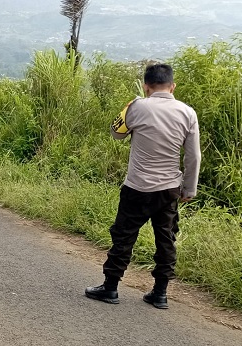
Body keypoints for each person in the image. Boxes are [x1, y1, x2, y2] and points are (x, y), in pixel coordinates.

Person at [85, 63, 201, 309]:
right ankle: (160, 294)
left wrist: (130, 105)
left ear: (146, 86)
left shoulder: (138, 106)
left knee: (123, 236)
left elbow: (116, 133)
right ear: (173, 86)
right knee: (166, 240)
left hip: (137, 186)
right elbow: (193, 156)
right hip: (169, 188)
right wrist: (188, 190)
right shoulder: (187, 112)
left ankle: (110, 288)